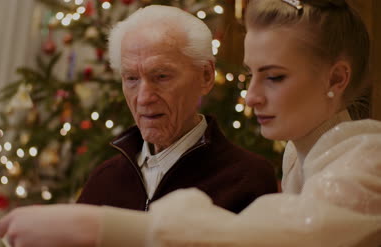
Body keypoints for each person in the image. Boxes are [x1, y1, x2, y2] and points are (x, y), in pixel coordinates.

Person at [0, 0, 381, 246]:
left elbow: (269, 238)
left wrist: (95, 226)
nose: (251, 96)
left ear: (336, 79)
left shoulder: (367, 159)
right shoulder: (300, 161)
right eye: (251, 75)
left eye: (275, 76)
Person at [76, 5, 277, 213]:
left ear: (206, 76)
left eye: (162, 76)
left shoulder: (247, 179)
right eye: (132, 79)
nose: (144, 98)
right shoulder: (104, 179)